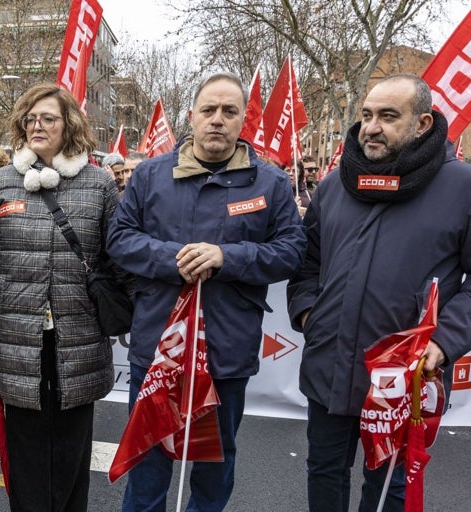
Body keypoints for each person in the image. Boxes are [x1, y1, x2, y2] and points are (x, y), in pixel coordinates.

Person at [286, 74, 471, 512]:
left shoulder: (469, 188)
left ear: (423, 124)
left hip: (406, 381)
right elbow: (307, 265)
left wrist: (442, 342)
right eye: (367, 115)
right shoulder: (335, 185)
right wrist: (309, 317)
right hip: (329, 368)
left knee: (389, 489)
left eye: (388, 116)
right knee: (323, 473)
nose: (371, 127)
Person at [107, 73, 306, 512]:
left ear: (242, 121)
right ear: (192, 116)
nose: (217, 120)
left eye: (229, 112)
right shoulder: (150, 177)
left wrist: (226, 257)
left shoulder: (270, 183)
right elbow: (119, 239)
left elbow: (291, 252)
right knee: (148, 457)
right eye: (209, 110)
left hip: (226, 351)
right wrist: (172, 257)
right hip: (158, 345)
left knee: (214, 465)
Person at [0, 83, 123, 512]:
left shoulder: (98, 184)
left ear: (68, 125)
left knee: (73, 446)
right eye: (30, 118)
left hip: (79, 335)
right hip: (17, 336)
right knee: (25, 445)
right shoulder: (2, 182)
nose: (37, 125)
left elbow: (116, 258)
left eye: (48, 118)